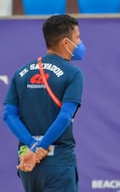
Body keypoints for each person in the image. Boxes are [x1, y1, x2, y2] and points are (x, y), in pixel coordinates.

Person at [2, 14, 85, 192]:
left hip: (28, 161)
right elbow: (64, 117)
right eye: (77, 37)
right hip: (58, 163)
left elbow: (9, 115)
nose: (80, 43)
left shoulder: (21, 72)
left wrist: (32, 146)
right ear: (65, 42)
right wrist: (41, 147)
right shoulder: (73, 74)